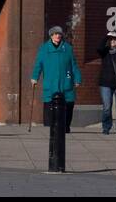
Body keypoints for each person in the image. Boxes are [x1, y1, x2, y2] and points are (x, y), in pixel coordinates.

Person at [30, 24, 80, 173]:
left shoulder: (67, 49)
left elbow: (74, 65)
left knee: (68, 105)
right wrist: (34, 77)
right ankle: (54, 127)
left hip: (66, 83)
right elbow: (38, 64)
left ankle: (65, 126)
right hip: (51, 84)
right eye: (55, 34)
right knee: (51, 107)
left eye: (59, 34)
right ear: (51, 36)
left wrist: (77, 78)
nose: (58, 36)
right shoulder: (44, 49)